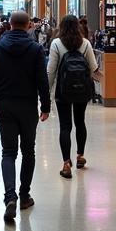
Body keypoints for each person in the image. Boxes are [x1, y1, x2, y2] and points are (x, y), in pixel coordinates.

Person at [0, 12, 50, 223]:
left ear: (9, 25)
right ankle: (24, 195)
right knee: (28, 151)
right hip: (27, 106)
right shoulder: (35, 49)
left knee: (8, 152)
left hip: (4, 105)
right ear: (29, 25)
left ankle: (9, 196)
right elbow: (42, 80)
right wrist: (45, 106)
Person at [47, 14, 99, 180]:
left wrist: (47, 92)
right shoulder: (85, 44)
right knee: (80, 121)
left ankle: (66, 163)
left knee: (65, 126)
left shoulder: (56, 44)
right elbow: (93, 67)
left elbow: (51, 71)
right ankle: (80, 155)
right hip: (81, 90)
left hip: (63, 91)